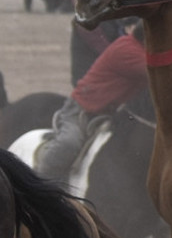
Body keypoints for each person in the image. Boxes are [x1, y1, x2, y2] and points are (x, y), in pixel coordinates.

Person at [35, 19, 148, 180]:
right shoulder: (128, 50)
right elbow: (160, 72)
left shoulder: (134, 48)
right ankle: (40, 185)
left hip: (111, 114)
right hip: (81, 111)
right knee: (69, 143)